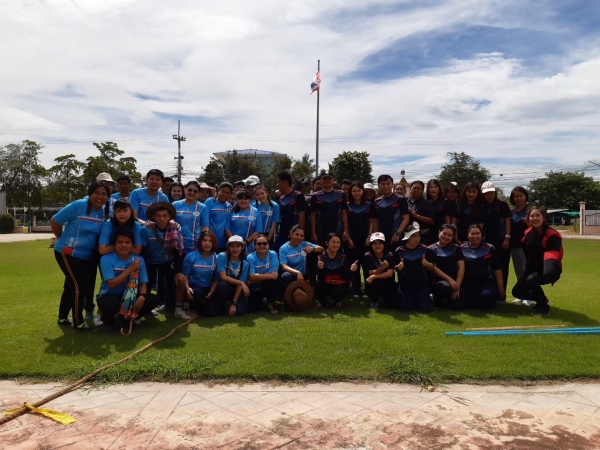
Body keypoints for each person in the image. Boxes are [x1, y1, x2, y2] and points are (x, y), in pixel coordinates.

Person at [50, 182, 110, 330]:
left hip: (85, 257)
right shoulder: (79, 205)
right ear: (90, 194)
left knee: (70, 285)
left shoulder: (104, 211)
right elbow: (55, 221)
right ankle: (78, 322)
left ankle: (62, 318)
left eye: (104, 194)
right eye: (97, 193)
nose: (100, 196)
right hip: (67, 252)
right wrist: (61, 237)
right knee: (79, 286)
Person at [96, 230, 160, 328]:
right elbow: (112, 284)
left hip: (130, 296)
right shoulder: (106, 259)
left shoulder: (139, 260)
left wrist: (142, 296)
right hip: (110, 295)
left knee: (153, 299)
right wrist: (130, 268)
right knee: (109, 304)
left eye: (127, 242)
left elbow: (143, 283)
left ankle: (133, 317)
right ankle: (110, 318)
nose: (124, 245)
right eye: (120, 242)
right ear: (114, 245)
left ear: (132, 245)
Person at [512, 207, 563, 315]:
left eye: (538, 215)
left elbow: (552, 253)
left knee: (531, 280)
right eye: (532, 216)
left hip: (550, 269)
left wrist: (549, 272)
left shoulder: (552, 234)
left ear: (544, 218)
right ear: (528, 219)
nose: (535, 218)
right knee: (517, 292)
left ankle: (543, 308)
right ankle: (543, 299)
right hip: (532, 269)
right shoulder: (527, 233)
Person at [140, 202, 187, 318]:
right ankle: (144, 309)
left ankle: (172, 306)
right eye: (159, 216)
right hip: (149, 261)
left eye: (165, 215)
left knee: (174, 282)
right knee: (146, 284)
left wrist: (178, 271)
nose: (162, 219)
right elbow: (142, 251)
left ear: (170, 216)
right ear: (153, 217)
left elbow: (176, 251)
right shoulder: (146, 230)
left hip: (167, 261)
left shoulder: (175, 228)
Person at [459, 224, 505, 309]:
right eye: (472, 234)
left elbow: (497, 268)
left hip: (486, 281)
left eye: (477, 233)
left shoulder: (490, 248)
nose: (475, 236)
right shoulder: (461, 248)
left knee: (487, 296)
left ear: (482, 234)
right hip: (468, 282)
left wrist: (501, 288)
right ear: (468, 235)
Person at [394, 223, 436, 313]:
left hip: (421, 285)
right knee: (405, 308)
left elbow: (431, 267)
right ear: (407, 237)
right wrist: (399, 267)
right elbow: (396, 269)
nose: (417, 238)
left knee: (424, 309)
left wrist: (427, 264)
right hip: (405, 285)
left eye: (418, 236)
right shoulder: (399, 250)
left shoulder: (425, 249)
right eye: (413, 236)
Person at [279, 225, 324, 306]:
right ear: (291, 234)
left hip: (304, 276)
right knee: (285, 276)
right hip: (292, 276)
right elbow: (283, 266)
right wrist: (297, 272)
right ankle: (287, 300)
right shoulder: (283, 248)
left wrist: (312, 249)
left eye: (301, 235)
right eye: (297, 234)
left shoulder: (304, 244)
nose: (299, 237)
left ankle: (312, 293)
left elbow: (321, 248)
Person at [181, 230, 220, 317]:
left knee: (212, 313)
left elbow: (216, 279)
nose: (207, 243)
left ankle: (201, 308)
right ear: (200, 242)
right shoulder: (190, 256)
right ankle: (192, 307)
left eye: (210, 241)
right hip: (194, 287)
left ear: (213, 243)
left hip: (208, 288)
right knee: (198, 293)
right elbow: (185, 277)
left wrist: (211, 291)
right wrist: (187, 289)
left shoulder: (217, 258)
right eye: (204, 240)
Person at [481, 181, 511, 292]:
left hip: (502, 241)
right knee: (490, 268)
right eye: (486, 194)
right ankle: (493, 292)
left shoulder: (502, 204)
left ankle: (502, 294)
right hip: (488, 241)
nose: (489, 196)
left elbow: (507, 221)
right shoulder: (483, 206)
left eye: (491, 193)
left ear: (495, 192)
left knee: (503, 267)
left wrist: (507, 238)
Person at [346, 181, 374, 298]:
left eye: (358, 190)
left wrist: (369, 236)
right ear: (351, 192)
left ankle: (368, 289)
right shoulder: (347, 205)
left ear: (362, 191)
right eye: (354, 191)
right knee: (354, 265)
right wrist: (348, 238)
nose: (356, 193)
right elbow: (345, 223)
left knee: (366, 264)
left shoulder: (369, 205)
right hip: (351, 240)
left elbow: (371, 221)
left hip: (365, 239)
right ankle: (356, 289)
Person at [429, 224, 464, 309]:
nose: (446, 237)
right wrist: (449, 280)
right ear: (439, 232)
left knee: (457, 306)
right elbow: (433, 268)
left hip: (455, 281)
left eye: (450, 235)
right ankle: (437, 300)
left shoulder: (456, 248)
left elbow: (461, 267)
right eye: (444, 233)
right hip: (439, 282)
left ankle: (448, 300)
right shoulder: (430, 249)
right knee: (443, 287)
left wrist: (457, 286)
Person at [215, 235, 252, 316]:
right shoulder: (222, 256)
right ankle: (222, 306)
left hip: (236, 289)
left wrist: (234, 303)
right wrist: (241, 283)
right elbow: (223, 277)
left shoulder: (245, 264)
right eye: (232, 246)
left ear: (242, 247)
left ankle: (231, 303)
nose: (235, 249)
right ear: (228, 247)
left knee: (241, 311)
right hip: (224, 287)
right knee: (222, 285)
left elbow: (240, 285)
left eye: (238, 246)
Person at [310, 170, 348, 246]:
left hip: (337, 232)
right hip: (321, 233)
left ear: (333, 180)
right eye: (325, 179)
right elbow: (313, 215)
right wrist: (313, 233)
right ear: (321, 181)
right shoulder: (315, 196)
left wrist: (346, 231)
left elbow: (344, 213)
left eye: (329, 178)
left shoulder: (341, 194)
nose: (327, 180)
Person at [173, 181, 209, 258]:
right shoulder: (175, 205)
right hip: (177, 246)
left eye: (195, 191)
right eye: (189, 190)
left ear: (198, 194)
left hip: (194, 247)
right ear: (185, 189)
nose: (192, 192)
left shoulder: (202, 207)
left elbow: (205, 228)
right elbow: (170, 223)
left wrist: (202, 244)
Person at [373, 175, 410, 248]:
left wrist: (397, 233)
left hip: (396, 237)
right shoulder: (377, 201)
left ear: (392, 185)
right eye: (383, 184)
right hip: (382, 237)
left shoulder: (400, 199)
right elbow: (376, 220)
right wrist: (376, 236)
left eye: (388, 183)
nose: (385, 186)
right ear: (378, 185)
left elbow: (406, 219)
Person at [362, 232, 397, 309]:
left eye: (380, 243)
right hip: (374, 284)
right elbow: (370, 273)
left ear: (384, 244)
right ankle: (374, 300)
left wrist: (374, 276)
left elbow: (390, 273)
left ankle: (385, 298)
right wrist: (381, 268)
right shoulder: (368, 255)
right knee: (373, 283)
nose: (377, 246)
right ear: (371, 245)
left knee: (390, 306)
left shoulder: (389, 255)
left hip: (387, 282)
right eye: (375, 243)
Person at [508, 186, 531, 305]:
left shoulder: (530, 211)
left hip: (527, 246)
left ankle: (528, 297)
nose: (518, 198)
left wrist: (528, 223)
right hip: (514, 246)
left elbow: (536, 228)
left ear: (525, 196)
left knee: (527, 271)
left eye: (521, 196)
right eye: (516, 196)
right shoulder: (511, 212)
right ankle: (520, 295)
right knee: (519, 271)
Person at [316, 233, 351, 308]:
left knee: (339, 290)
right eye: (333, 242)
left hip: (339, 284)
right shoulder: (320, 257)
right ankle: (323, 302)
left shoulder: (343, 257)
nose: (336, 245)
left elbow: (346, 276)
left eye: (338, 242)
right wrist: (320, 268)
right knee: (321, 285)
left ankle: (337, 301)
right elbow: (321, 277)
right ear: (327, 243)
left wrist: (351, 270)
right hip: (326, 284)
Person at [275, 172, 307, 252]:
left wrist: (298, 234)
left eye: (278, 182)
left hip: (293, 234)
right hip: (281, 233)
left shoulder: (298, 196)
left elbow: (302, 216)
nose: (277, 185)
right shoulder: (281, 198)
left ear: (285, 182)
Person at [247, 234, 279, 314]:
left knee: (271, 281)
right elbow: (251, 276)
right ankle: (261, 301)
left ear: (268, 245)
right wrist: (268, 275)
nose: (262, 246)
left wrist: (254, 278)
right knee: (254, 309)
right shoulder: (250, 257)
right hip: (255, 287)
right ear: (254, 246)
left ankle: (270, 303)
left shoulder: (273, 254)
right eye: (259, 244)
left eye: (265, 243)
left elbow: (274, 274)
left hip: (267, 284)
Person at [204, 182, 233, 253]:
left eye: (227, 193)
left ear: (230, 194)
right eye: (223, 191)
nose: (225, 194)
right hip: (209, 241)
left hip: (223, 243)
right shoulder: (210, 201)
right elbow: (204, 220)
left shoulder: (229, 206)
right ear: (218, 191)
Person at [406, 180, 435, 245]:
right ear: (410, 189)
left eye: (419, 188)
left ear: (422, 190)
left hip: (422, 237)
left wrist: (417, 215)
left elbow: (431, 221)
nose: (416, 190)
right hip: (407, 236)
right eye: (414, 188)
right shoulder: (405, 202)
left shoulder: (427, 203)